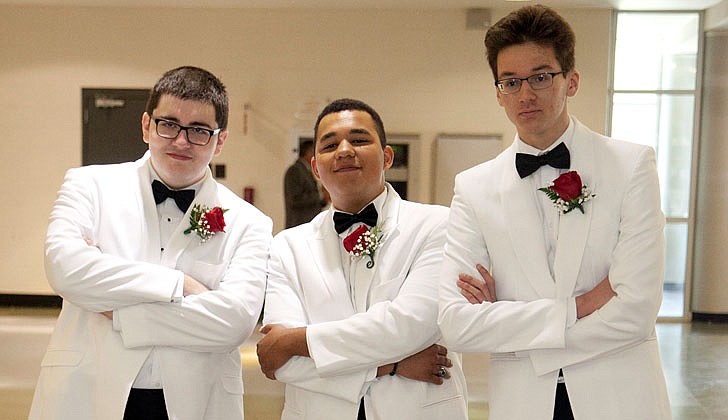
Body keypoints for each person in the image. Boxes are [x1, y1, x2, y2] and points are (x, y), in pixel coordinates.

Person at [437, 5, 671, 420]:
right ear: (497, 91)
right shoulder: (472, 188)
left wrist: (511, 325)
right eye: (510, 81)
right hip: (522, 403)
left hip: (620, 397)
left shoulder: (631, 166)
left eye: (541, 77)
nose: (525, 94)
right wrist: (579, 306)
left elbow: (636, 310)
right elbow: (457, 323)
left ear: (572, 80)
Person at [30, 66, 273, 420]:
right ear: (146, 125)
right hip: (88, 387)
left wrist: (120, 311)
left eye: (199, 131)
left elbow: (234, 322)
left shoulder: (249, 221)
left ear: (220, 140)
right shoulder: (89, 186)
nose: (181, 141)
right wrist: (181, 285)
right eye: (169, 124)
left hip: (197, 400)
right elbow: (65, 270)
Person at [257, 98, 468, 419]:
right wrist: (391, 366)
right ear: (315, 166)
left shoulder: (438, 226)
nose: (344, 150)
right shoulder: (286, 246)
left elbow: (408, 326)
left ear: (386, 157)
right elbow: (283, 363)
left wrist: (296, 340)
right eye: (330, 145)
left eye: (359, 140)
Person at [284, 139, 328, 228]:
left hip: (309, 224)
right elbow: (295, 199)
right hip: (298, 224)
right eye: (315, 152)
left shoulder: (306, 170)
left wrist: (324, 199)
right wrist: (320, 195)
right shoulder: (294, 170)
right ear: (308, 152)